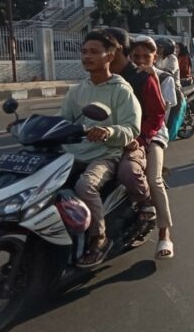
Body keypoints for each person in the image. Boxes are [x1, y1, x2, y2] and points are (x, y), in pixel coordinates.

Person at [59, 30, 141, 268]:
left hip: (105, 155)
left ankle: (98, 238)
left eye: (94, 52)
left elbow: (131, 128)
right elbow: (62, 120)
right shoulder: (76, 90)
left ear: (110, 55)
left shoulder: (120, 90)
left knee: (85, 186)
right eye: (84, 52)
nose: (87, 56)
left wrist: (108, 132)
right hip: (73, 153)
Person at [104, 28, 164, 234]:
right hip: (102, 139)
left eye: (103, 49)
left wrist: (140, 139)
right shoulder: (98, 78)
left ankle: (152, 213)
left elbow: (158, 115)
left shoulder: (144, 77)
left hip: (140, 138)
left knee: (137, 174)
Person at [130, 35, 176, 259]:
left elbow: (161, 114)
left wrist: (153, 81)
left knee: (153, 178)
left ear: (155, 57)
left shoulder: (163, 78)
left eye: (146, 57)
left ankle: (164, 234)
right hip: (125, 134)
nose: (140, 61)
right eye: (136, 56)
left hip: (154, 133)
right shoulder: (124, 76)